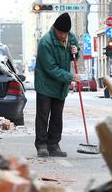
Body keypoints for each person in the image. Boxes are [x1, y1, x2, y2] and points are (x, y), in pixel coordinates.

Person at [34, 13, 81, 158]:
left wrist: (76, 51)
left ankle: (53, 144)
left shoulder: (70, 37)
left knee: (57, 116)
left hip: (60, 85)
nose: (63, 36)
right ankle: (41, 145)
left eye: (65, 33)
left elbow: (74, 55)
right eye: (61, 33)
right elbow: (51, 68)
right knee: (43, 115)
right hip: (45, 84)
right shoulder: (45, 42)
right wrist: (71, 77)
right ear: (55, 29)